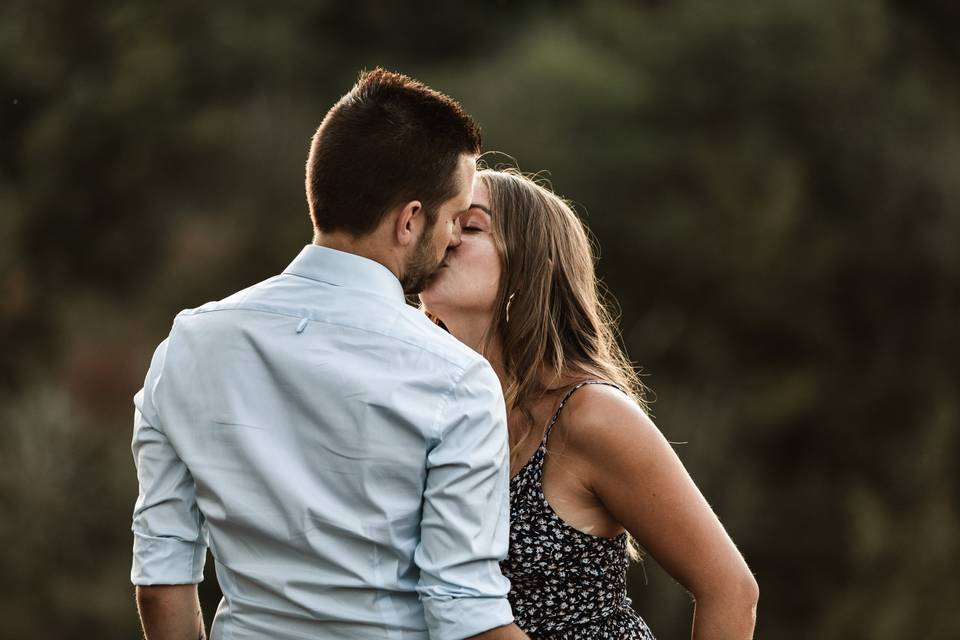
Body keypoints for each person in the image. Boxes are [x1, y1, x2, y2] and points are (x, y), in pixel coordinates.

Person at [130, 69, 529, 640]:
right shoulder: (455, 378)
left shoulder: (187, 346)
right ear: (410, 220)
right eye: (454, 220)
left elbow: (161, 581)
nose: (450, 242)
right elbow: (463, 608)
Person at [420, 168, 760, 639]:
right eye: (445, 222)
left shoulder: (589, 415)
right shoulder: (436, 408)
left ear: (533, 266)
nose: (446, 238)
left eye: (471, 226)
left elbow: (730, 589)